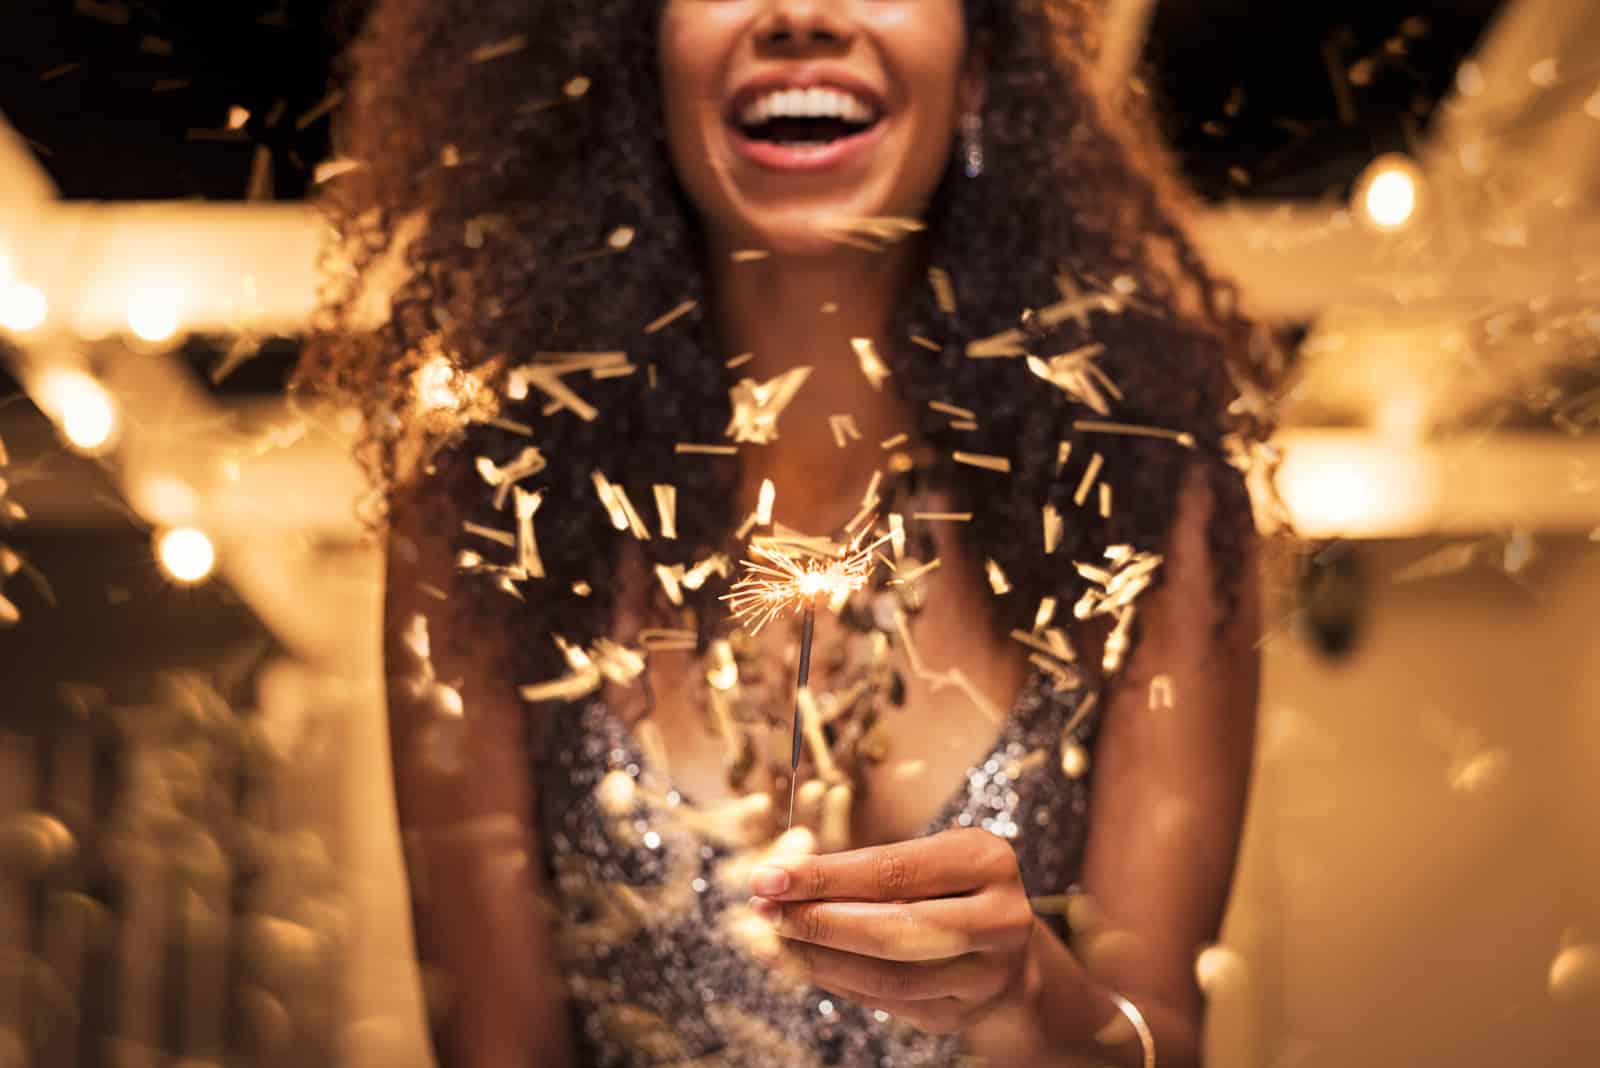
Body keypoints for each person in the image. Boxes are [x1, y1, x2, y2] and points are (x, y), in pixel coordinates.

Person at [297, 0, 1275, 1065]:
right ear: (636, 50)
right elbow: (493, 1048)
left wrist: (1026, 990)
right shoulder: (483, 509)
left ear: (981, 57)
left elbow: (1161, 1041)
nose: (802, 13)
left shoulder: (1140, 496)